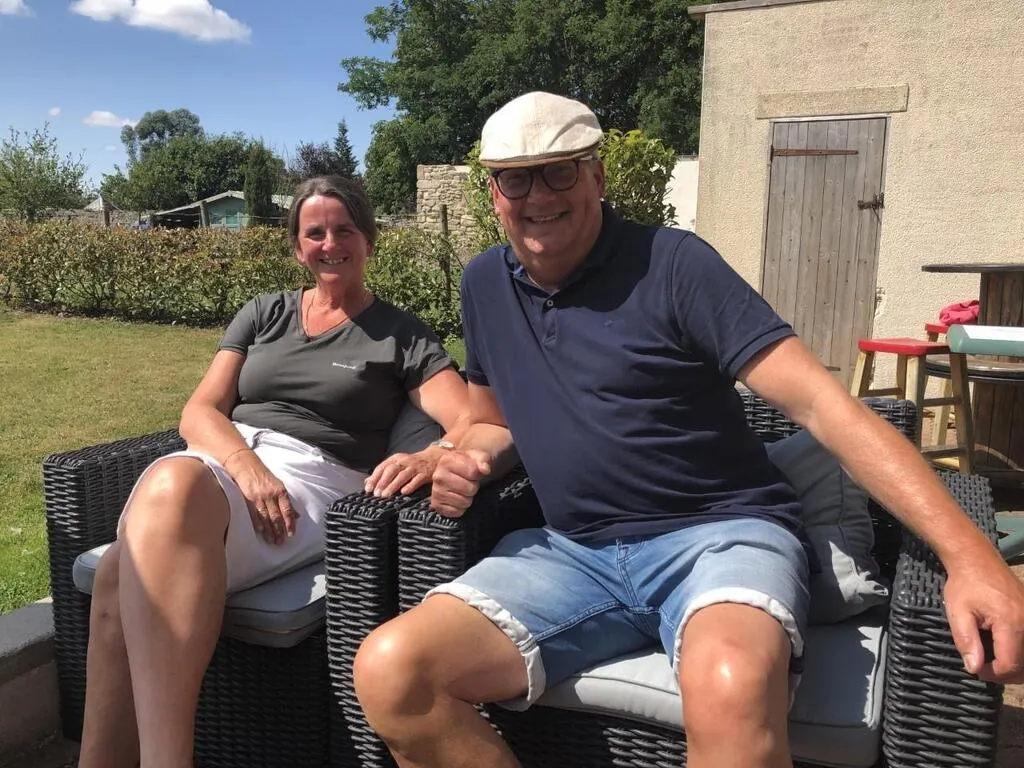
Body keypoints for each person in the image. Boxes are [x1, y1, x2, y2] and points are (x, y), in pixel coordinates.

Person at [352, 92, 1024, 768]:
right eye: (516, 178)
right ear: (494, 193)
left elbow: (826, 407)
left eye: (561, 170)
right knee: (393, 670)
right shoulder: (484, 284)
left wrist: (973, 559)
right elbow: (492, 421)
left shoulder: (673, 264)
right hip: (570, 552)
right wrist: (458, 454)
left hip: (719, 536)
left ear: (597, 176)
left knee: (732, 687)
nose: (540, 195)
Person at [79, 176, 470, 768]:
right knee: (129, 552)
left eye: (345, 230)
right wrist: (246, 465)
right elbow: (199, 411)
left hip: (313, 479)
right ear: (297, 246)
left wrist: (433, 453)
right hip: (227, 462)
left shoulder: (401, 335)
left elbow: (469, 420)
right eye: (315, 233)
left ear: (368, 241)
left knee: (135, 545)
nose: (330, 243)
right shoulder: (264, 313)